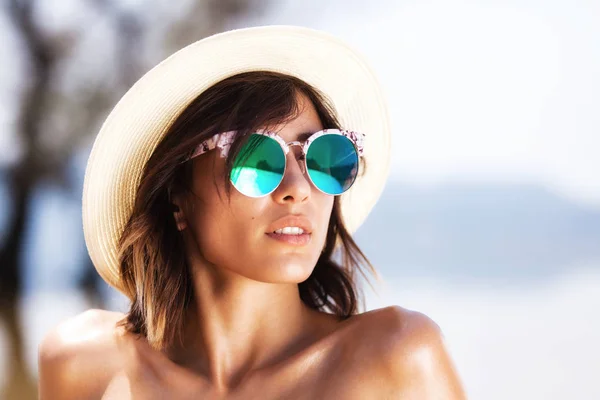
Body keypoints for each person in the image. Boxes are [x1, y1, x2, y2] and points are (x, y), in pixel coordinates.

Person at [37, 26, 466, 399]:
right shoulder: (81, 364)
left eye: (323, 157)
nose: (298, 189)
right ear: (176, 194)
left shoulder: (398, 358)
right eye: (257, 160)